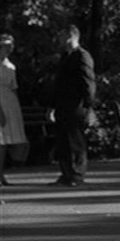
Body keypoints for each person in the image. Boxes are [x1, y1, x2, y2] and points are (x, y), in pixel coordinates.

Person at [49, 25, 96, 187]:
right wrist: (52, 106)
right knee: (63, 141)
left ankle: (77, 174)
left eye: (62, 35)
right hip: (62, 105)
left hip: (76, 105)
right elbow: (59, 84)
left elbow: (88, 82)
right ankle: (66, 173)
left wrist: (89, 106)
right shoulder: (65, 56)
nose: (59, 39)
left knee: (75, 141)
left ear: (71, 36)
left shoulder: (82, 56)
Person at [0, 33, 29, 186]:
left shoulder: (10, 66)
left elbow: (14, 88)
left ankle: (1, 174)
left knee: (5, 141)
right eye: (6, 46)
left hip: (10, 103)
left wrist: (17, 109)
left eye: (11, 46)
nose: (9, 49)